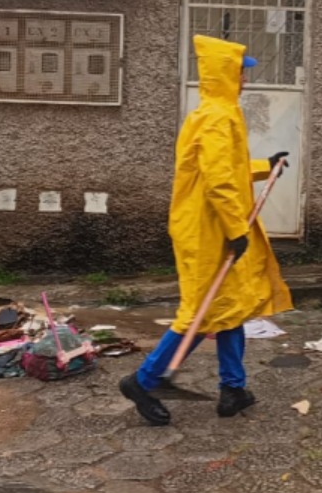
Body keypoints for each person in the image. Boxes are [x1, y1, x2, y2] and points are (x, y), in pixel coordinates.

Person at [120, 35, 293, 425]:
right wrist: (236, 228)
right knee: (201, 313)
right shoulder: (217, 116)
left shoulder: (217, 112)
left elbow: (227, 170)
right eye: (240, 72)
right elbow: (218, 181)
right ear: (224, 74)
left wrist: (266, 165)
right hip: (206, 230)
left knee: (228, 310)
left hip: (211, 225)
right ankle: (143, 381)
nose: (245, 79)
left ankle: (232, 389)